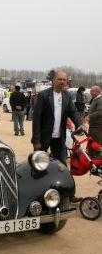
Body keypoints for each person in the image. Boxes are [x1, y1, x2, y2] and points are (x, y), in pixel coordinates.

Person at [31, 71, 85, 202]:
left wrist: (80, 124)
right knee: (38, 167)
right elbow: (36, 119)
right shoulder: (44, 95)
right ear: (54, 80)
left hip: (59, 139)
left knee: (63, 168)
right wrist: (36, 140)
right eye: (59, 79)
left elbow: (73, 112)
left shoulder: (66, 96)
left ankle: (69, 195)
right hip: (43, 138)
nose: (62, 82)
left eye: (64, 80)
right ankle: (34, 194)